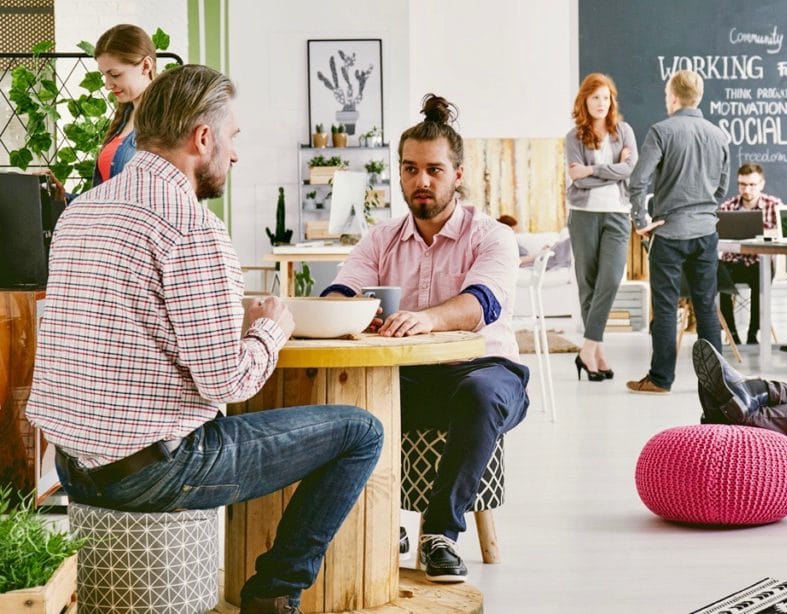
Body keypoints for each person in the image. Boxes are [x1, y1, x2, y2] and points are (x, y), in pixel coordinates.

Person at [26, 65, 383, 614]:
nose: (235, 155)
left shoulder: (82, 212)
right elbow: (228, 380)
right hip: (152, 472)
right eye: (233, 137)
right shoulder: (193, 226)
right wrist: (272, 326)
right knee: (361, 431)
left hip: (72, 466)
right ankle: (272, 595)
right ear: (203, 138)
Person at [321, 94, 529, 583]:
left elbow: (483, 303)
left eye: (434, 169)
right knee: (349, 392)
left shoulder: (491, 236)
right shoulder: (380, 238)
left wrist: (427, 319)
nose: (422, 181)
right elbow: (340, 289)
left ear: (458, 173)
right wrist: (351, 312)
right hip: (409, 378)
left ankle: (440, 535)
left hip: (486, 372)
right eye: (410, 169)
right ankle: (379, 517)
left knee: (479, 394)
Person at [626, 69, 729, 395]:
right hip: (705, 231)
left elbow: (638, 180)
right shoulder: (718, 135)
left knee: (667, 308)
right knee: (706, 306)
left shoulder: (661, 131)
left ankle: (660, 379)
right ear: (698, 97)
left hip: (669, 233)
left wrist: (641, 219)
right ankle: (718, 383)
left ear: (672, 97)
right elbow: (722, 188)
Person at [565, 73, 637, 382]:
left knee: (610, 278)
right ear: (585, 100)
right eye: (595, 97)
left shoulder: (624, 131)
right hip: (583, 214)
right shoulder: (573, 137)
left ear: (612, 102)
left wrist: (593, 169)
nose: (601, 103)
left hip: (618, 213)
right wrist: (612, 171)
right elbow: (576, 178)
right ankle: (598, 353)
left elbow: (629, 168)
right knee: (589, 284)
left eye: (606, 98)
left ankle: (587, 347)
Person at [37, 24, 157, 199]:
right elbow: (104, 202)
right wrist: (63, 197)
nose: (108, 85)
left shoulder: (163, 123)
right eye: (104, 75)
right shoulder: (124, 117)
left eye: (115, 74)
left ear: (145, 66)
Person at [717, 162, 781, 345]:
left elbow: (785, 232)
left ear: (761, 184)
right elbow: (719, 238)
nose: (747, 189)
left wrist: (764, 234)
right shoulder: (727, 207)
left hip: (759, 262)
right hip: (733, 262)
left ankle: (753, 334)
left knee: (761, 280)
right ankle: (732, 334)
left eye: (752, 185)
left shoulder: (774, 205)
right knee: (718, 276)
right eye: (742, 184)